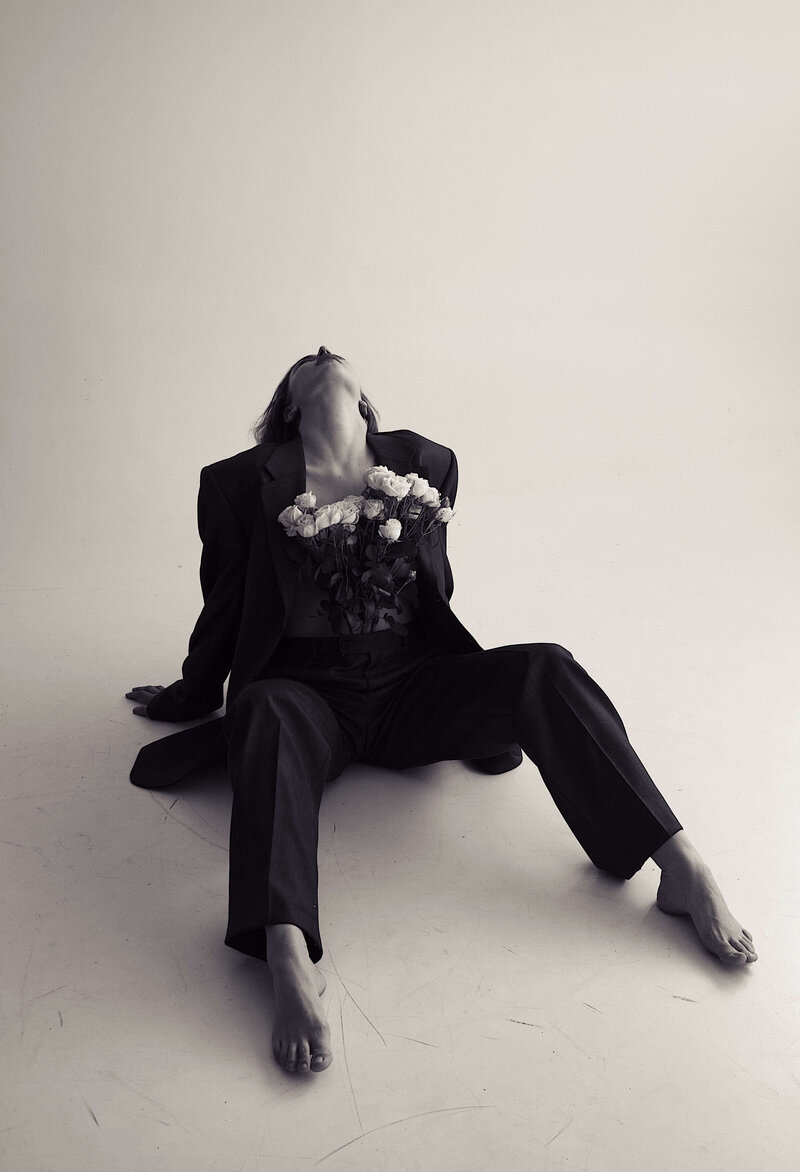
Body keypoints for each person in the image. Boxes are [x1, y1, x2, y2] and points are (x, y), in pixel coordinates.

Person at [126, 346, 757, 1075]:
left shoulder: (427, 461)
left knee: (545, 665)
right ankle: (286, 949)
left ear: (365, 402)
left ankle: (681, 867)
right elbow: (225, 605)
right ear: (290, 405)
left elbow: (435, 591)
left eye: (341, 358)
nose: (329, 353)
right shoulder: (237, 483)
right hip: (303, 692)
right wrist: (190, 692)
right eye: (309, 360)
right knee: (263, 710)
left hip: (411, 685)